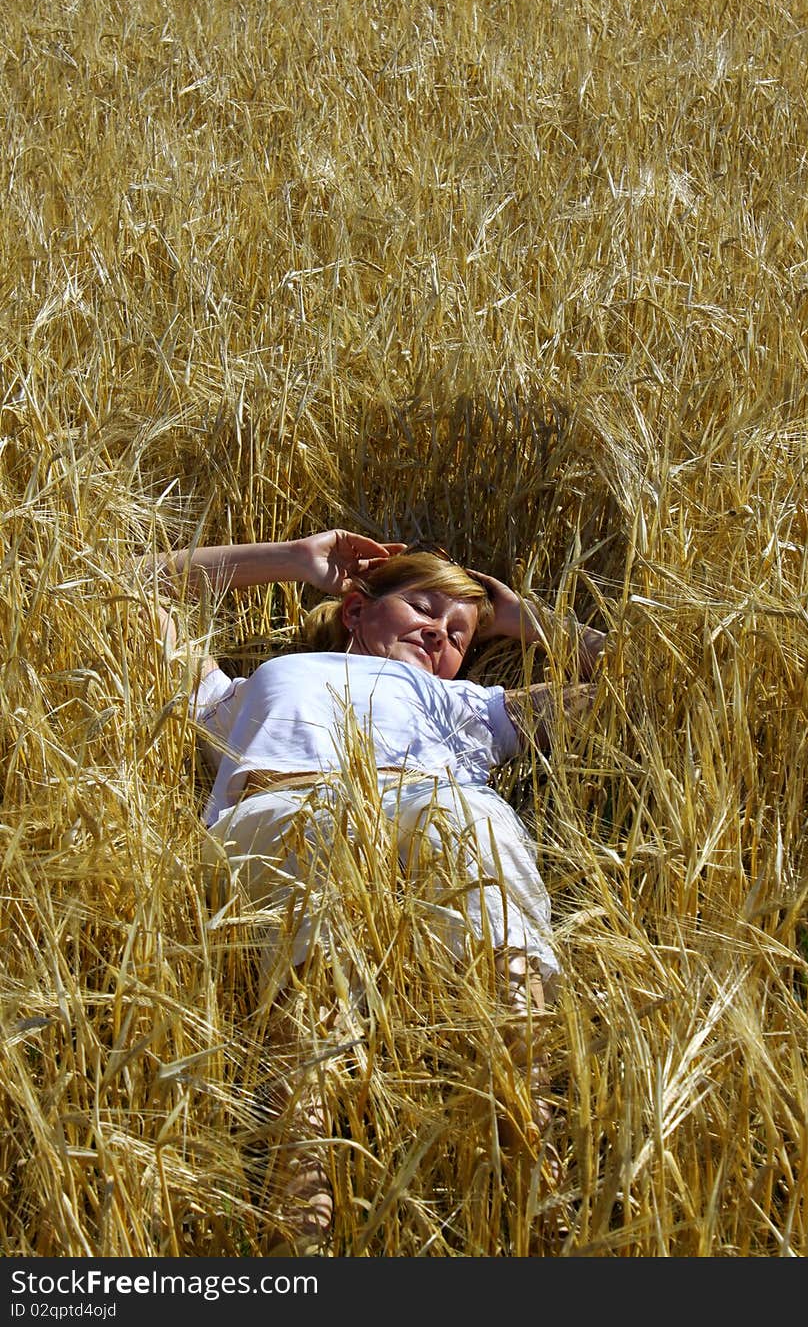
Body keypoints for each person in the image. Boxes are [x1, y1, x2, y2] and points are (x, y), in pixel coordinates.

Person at [153, 528, 605, 1252]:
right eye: (422, 606)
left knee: (490, 899)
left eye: (458, 632)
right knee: (303, 1001)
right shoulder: (250, 690)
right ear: (356, 610)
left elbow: (639, 672)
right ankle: (300, 1222)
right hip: (287, 807)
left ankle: (535, 1171)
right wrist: (293, 560)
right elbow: (137, 590)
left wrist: (524, 620)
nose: (440, 632)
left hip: (432, 800)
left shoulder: (463, 704)